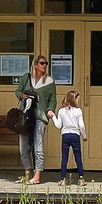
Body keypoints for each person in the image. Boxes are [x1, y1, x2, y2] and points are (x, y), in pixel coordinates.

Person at [15, 54, 58, 185]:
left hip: (39, 117)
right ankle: (28, 173)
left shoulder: (49, 81)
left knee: (38, 147)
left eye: (46, 64)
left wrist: (50, 109)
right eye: (42, 63)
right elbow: (17, 91)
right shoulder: (26, 78)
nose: (44, 66)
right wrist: (22, 96)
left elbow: (53, 100)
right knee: (23, 148)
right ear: (35, 65)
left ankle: (37, 175)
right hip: (25, 116)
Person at [55, 91, 88, 185]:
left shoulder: (61, 111)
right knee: (78, 157)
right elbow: (81, 125)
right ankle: (81, 179)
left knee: (64, 157)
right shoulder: (78, 111)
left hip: (65, 135)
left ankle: (63, 179)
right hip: (75, 135)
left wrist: (53, 117)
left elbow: (58, 125)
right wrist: (84, 136)